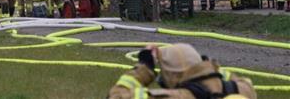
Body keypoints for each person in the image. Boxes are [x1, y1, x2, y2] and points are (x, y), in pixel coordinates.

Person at [108, 43, 256, 99]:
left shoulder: (180, 96)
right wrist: (206, 67)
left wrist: (145, 66)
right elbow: (231, 78)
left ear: (174, 74)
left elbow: (116, 97)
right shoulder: (243, 89)